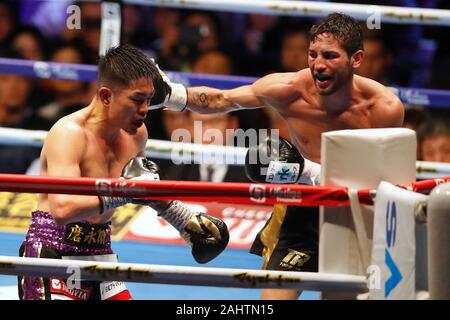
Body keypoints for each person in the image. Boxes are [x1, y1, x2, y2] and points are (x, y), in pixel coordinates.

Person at [149, 12, 404, 299]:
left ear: (356, 59)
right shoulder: (289, 90)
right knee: (271, 300)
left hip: (354, 211)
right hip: (301, 208)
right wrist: (172, 94)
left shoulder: (383, 108)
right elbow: (223, 99)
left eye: (330, 56)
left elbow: (386, 180)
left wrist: (308, 170)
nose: (318, 65)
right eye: (313, 54)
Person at [18, 45, 229, 300]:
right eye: (137, 99)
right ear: (106, 96)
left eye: (149, 100)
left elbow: (143, 187)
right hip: (53, 252)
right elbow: (63, 209)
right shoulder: (69, 133)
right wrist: (125, 191)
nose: (144, 109)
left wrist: (184, 220)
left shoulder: (137, 134)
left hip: (100, 252)